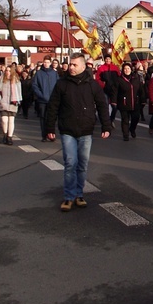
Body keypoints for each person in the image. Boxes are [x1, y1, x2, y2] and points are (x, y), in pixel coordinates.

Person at [45, 53, 112, 212]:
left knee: (82, 165)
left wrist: (106, 126)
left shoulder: (92, 84)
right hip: (67, 129)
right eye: (70, 64)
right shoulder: (62, 84)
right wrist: (49, 128)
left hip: (86, 130)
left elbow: (102, 105)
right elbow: (53, 106)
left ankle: (79, 194)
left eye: (75, 65)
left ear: (83, 66)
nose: (71, 67)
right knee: (70, 163)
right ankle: (68, 197)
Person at [112, 61, 144, 141]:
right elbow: (115, 91)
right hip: (124, 103)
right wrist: (114, 101)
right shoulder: (119, 79)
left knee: (136, 118)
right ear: (123, 70)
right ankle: (125, 135)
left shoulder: (136, 78)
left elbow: (141, 90)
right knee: (125, 120)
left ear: (131, 69)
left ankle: (132, 129)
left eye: (128, 68)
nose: (127, 70)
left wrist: (143, 100)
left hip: (135, 103)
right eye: (125, 69)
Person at [32, 55, 59, 142]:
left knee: (52, 117)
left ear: (50, 63)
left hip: (52, 99)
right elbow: (35, 85)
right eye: (45, 62)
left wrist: (56, 96)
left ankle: (51, 134)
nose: (46, 64)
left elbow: (58, 85)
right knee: (43, 117)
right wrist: (40, 94)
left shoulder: (54, 73)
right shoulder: (39, 73)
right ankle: (44, 135)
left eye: (48, 62)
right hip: (42, 100)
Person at [0, 65, 22, 145]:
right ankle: (5, 134)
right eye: (7, 70)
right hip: (4, 103)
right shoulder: (1, 80)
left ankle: (9, 137)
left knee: (11, 120)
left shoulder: (16, 81)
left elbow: (19, 92)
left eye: (10, 71)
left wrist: (17, 101)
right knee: (4, 120)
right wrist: (0, 100)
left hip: (12, 103)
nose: (8, 72)